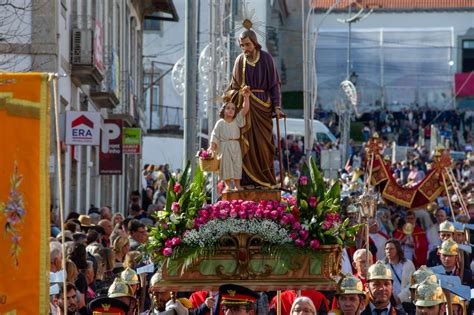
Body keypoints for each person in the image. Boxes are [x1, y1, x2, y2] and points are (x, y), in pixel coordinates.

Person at [226, 29, 282, 189]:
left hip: (263, 108)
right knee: (245, 146)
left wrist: (277, 106)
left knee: (264, 146)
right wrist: (240, 94)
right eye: (242, 45)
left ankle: (265, 180)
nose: (245, 48)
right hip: (246, 107)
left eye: (248, 44)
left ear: (255, 43)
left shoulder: (266, 58)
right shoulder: (239, 61)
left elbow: (274, 84)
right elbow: (233, 87)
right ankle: (246, 182)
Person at [209, 87, 250, 192]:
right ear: (223, 110)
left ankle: (237, 185)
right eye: (228, 108)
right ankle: (227, 185)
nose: (231, 110)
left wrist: (246, 97)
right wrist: (212, 146)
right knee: (226, 165)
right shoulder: (220, 123)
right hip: (225, 146)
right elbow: (215, 135)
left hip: (235, 145)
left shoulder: (237, 120)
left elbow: (245, 110)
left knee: (237, 164)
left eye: (233, 108)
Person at [384, 239, 416, 304]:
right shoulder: (382, 265)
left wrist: (401, 297)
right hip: (389, 301)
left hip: (405, 302)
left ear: (397, 250)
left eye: (391, 249)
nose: (388, 251)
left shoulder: (408, 264)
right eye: (386, 249)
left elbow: (413, 283)